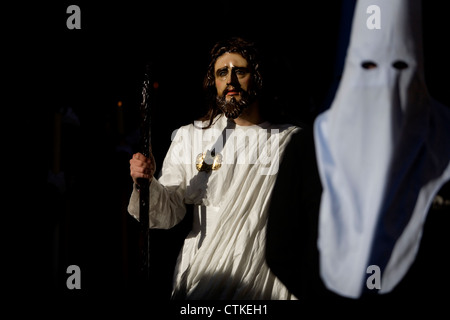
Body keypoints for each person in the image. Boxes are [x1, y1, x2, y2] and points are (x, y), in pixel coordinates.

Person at [266, 0, 450, 306]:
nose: (386, 85)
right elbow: (280, 248)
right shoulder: (312, 146)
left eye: (400, 67)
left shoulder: (442, 146)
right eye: (369, 67)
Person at [128, 37, 300, 300]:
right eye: (222, 73)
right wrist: (146, 183)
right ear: (214, 82)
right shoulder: (191, 137)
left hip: (266, 281)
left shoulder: (290, 141)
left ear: (257, 77)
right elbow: (168, 213)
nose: (230, 81)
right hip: (206, 275)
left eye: (239, 71)